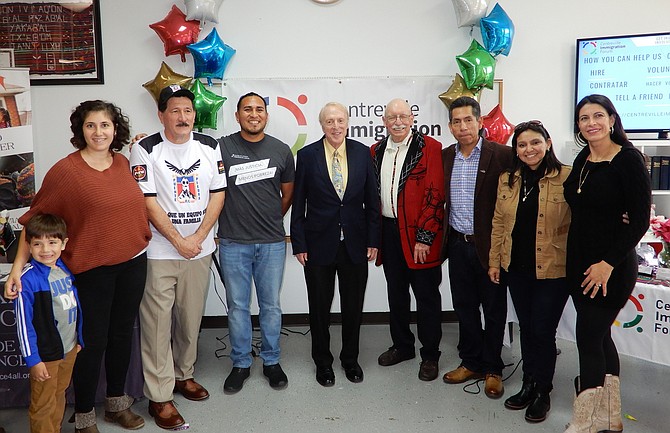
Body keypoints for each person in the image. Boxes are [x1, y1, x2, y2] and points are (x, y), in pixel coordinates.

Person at [4, 100, 151, 433]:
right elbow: (33, 222)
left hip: (132, 264)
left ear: (116, 129)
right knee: (91, 342)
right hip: (91, 271)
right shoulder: (66, 171)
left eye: (105, 125)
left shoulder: (124, 162)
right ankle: (84, 414)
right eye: (90, 125)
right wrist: (16, 270)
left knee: (121, 336)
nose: (98, 132)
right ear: (80, 130)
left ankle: (117, 403)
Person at [129, 85, 226, 430]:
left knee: (190, 318)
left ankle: (185, 376)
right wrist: (177, 240)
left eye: (187, 110)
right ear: (161, 115)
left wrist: (197, 238)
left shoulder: (210, 146)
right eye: (174, 111)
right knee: (157, 325)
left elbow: (218, 194)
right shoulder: (144, 149)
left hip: (199, 250)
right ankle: (159, 395)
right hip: (159, 251)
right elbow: (147, 201)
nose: (182, 117)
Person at [562, 94, 651, 433]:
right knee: (599, 338)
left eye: (597, 115)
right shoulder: (584, 157)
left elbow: (640, 219)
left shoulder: (629, 159)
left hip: (610, 269)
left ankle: (585, 421)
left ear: (612, 119)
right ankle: (611, 416)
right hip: (579, 264)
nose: (591, 123)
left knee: (588, 338)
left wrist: (607, 263)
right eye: (584, 118)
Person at [291, 102, 380, 387]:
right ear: (322, 125)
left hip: (355, 244)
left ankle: (350, 360)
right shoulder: (306, 156)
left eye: (340, 120)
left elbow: (372, 201)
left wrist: (373, 239)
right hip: (318, 245)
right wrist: (299, 243)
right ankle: (323, 362)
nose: (336, 126)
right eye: (329, 121)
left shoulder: (362, 153)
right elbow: (298, 203)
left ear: (348, 122)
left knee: (353, 307)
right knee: (319, 308)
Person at [488, 121, 571, 422]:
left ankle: (543, 391)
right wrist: (495, 262)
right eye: (522, 145)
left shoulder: (568, 177)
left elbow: (586, 219)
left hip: (553, 269)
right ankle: (527, 383)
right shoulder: (508, 180)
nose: (528, 149)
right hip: (517, 268)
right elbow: (499, 223)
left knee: (542, 330)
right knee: (526, 327)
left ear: (548, 143)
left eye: (535, 143)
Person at [217, 92, 295, 393]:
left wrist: (270, 218)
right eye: (247, 109)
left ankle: (271, 361)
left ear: (266, 115)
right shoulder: (221, 147)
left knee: (271, 306)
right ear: (237, 116)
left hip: (272, 243)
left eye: (259, 109)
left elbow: (287, 194)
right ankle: (240, 364)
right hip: (233, 243)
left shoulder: (281, 150)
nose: (253, 114)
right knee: (237, 306)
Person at [441, 96, 514, 398]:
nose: (463, 127)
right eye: (456, 122)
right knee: (465, 307)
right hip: (458, 244)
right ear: (450, 126)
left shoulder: (503, 155)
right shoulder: (446, 157)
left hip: (490, 248)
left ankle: (493, 368)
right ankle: (471, 361)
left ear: (480, 122)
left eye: (468, 120)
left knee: (494, 310)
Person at [370, 98, 445, 382]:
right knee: (396, 294)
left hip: (420, 236)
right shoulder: (375, 151)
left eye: (403, 116)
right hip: (389, 233)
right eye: (392, 117)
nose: (398, 121)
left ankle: (430, 355)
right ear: (384, 121)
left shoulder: (430, 148)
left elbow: (436, 195)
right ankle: (403, 346)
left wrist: (424, 237)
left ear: (412, 118)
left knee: (426, 297)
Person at [14, 214, 82, 433]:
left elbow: (74, 307)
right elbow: (23, 326)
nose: (45, 250)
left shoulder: (65, 270)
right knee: (43, 403)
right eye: (37, 244)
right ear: (29, 246)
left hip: (69, 348)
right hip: (46, 356)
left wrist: (78, 340)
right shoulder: (28, 280)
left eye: (52, 242)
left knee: (59, 393)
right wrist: (33, 360)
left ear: (64, 243)